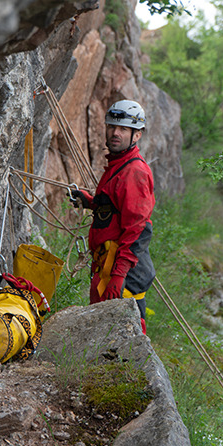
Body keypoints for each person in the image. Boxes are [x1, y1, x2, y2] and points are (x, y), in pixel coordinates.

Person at [72, 100, 156, 335]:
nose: (115, 133)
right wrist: (91, 202)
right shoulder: (119, 165)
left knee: (125, 333)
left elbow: (139, 229)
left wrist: (119, 275)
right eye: (112, 127)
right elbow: (118, 209)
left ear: (136, 135)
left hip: (124, 271)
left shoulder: (134, 172)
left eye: (123, 129)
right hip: (108, 267)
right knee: (102, 332)